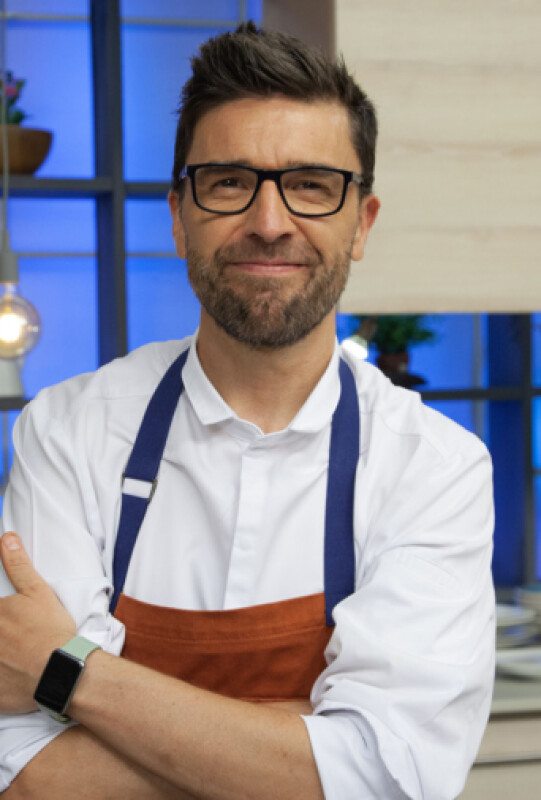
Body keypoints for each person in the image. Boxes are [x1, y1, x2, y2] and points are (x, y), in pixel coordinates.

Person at [0, 22, 494, 800]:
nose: (269, 222)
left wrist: (72, 674)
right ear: (178, 216)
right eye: (229, 182)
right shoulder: (68, 432)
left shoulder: (433, 466)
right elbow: (26, 772)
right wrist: (304, 747)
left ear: (360, 223)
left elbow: (385, 776)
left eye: (311, 184)